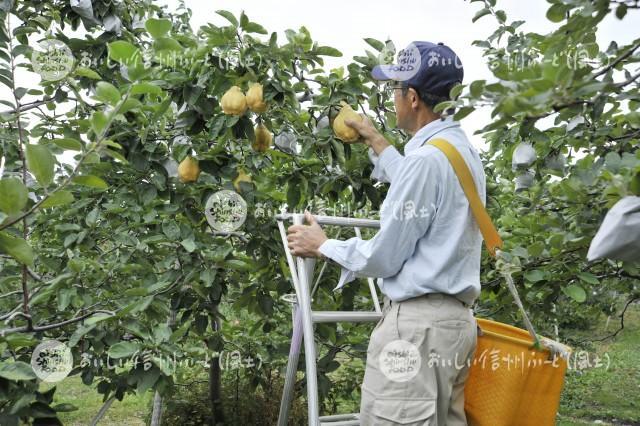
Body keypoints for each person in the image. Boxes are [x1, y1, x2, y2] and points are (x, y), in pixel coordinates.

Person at [286, 41, 484, 426]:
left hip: (417, 330)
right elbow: (422, 186)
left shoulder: (427, 160)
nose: (391, 97)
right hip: (454, 327)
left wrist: (325, 246)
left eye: (394, 89)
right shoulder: (459, 151)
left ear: (412, 98)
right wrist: (375, 139)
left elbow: (385, 256)